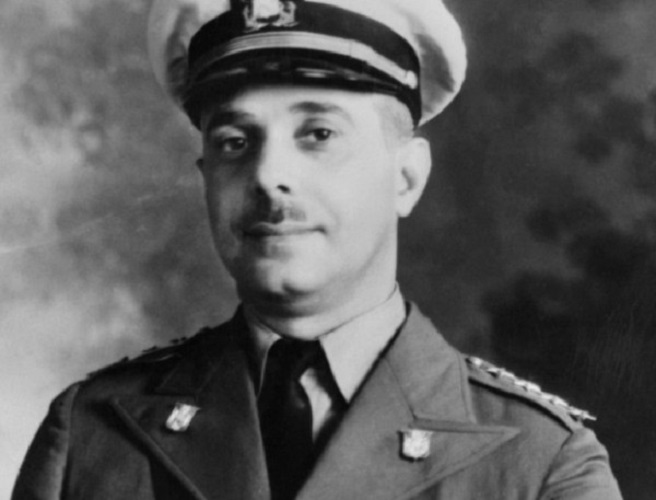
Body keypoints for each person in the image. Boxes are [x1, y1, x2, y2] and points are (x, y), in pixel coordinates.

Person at [12, 0, 623, 499]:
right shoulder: (92, 432)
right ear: (205, 177)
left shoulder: (540, 463)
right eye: (234, 141)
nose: (268, 176)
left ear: (406, 178)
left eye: (318, 133)